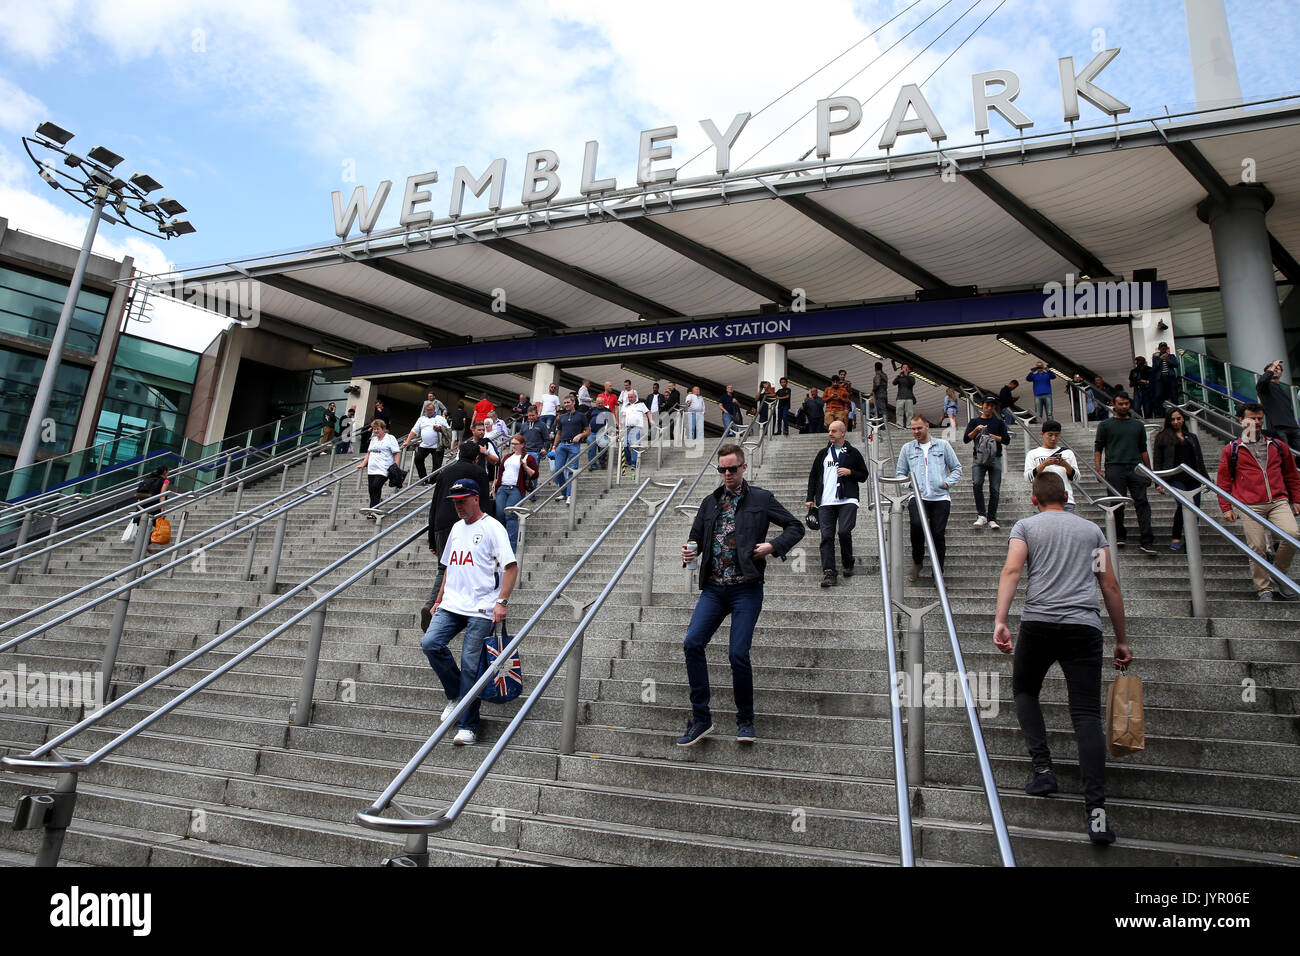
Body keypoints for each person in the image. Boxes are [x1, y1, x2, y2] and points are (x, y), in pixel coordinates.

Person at [994, 472, 1133, 846]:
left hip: (1039, 623)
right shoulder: (1092, 532)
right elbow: (1109, 584)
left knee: (1025, 691)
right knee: (1086, 715)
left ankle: (1043, 769)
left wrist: (1001, 620)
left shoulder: (1026, 526)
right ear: (1067, 496)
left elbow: (1012, 569)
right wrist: (1121, 639)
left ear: (1033, 499)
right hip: (1084, 628)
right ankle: (1097, 814)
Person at [677, 443, 804, 746]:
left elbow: (795, 526)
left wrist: (772, 546)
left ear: (744, 468)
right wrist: (687, 552)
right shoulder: (710, 503)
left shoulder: (760, 498)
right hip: (714, 588)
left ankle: (745, 720)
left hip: (746, 588)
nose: (727, 474)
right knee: (692, 642)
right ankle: (701, 719)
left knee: (737, 653)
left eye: (732, 468)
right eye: (722, 469)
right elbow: (695, 539)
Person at [420, 477, 518, 747]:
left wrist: (502, 602)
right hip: (452, 603)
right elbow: (449, 567)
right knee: (430, 643)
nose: (458, 507)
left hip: (482, 606)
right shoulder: (455, 529)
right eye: (455, 502)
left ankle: (468, 726)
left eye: (462, 501)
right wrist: (438, 600)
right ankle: (456, 695)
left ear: (477, 498)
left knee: (471, 664)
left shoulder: (492, 528)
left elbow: (511, 568)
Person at [1215, 403, 1300, 601]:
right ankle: (1264, 589)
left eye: (1260, 418)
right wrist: (1226, 507)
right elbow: (1223, 481)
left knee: (1292, 534)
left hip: (1278, 500)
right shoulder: (1232, 450)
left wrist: (1297, 500)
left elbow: (1292, 475)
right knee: (1257, 547)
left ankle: (1279, 575)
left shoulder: (1277, 445)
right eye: (1252, 418)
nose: (1257, 422)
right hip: (1249, 505)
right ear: (1241, 420)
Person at [426, 442, 498, 604]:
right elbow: (483, 503)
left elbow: (435, 504)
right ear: (477, 457)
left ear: (458, 453)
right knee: (468, 565)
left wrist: (432, 538)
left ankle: (434, 604)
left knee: (443, 568)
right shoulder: (479, 472)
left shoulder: (445, 472)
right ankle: (453, 604)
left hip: (442, 523)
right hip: (468, 524)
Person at [897, 413, 962, 582]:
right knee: (917, 524)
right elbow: (900, 474)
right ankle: (917, 562)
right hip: (917, 496)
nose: (916, 431)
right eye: (913, 429)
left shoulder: (943, 445)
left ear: (927, 426)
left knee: (937, 534)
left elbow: (956, 468)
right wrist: (910, 485)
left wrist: (947, 483)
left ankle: (937, 573)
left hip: (940, 498)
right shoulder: (907, 448)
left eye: (919, 428)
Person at [805, 421, 869, 587]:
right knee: (826, 537)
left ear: (843, 433)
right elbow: (813, 476)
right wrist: (810, 497)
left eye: (834, 431)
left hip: (848, 499)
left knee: (843, 531)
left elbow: (864, 475)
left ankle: (848, 562)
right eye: (829, 431)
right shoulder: (823, 454)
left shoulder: (853, 453)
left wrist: (850, 472)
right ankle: (829, 573)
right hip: (826, 501)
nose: (830, 433)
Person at [1093, 391, 1155, 553]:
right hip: (1114, 467)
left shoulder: (1138, 425)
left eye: (1126, 404)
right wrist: (1098, 469)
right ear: (1113, 404)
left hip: (1136, 467)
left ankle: (1147, 539)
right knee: (1117, 502)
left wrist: (1149, 471)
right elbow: (1098, 448)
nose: (1124, 406)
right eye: (1120, 404)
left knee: (1142, 502)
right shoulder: (1105, 425)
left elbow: (1143, 449)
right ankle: (1119, 535)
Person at [1152, 407, 1206, 552]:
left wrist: (1206, 479)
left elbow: (1199, 459)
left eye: (1179, 418)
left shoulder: (1191, 437)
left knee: (1195, 509)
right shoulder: (1162, 437)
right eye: (1173, 419)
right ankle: (1176, 536)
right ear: (1168, 421)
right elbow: (1158, 461)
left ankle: (1191, 539)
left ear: (1183, 419)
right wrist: (1158, 482)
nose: (1176, 422)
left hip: (1193, 478)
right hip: (1174, 478)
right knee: (1184, 505)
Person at [963, 396, 1009, 530]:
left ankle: (992, 518)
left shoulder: (999, 422)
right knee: (977, 484)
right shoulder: (974, 421)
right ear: (982, 405)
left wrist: (992, 436)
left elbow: (1006, 440)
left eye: (992, 405)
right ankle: (981, 515)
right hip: (979, 458)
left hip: (995, 458)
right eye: (987, 405)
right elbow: (966, 439)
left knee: (995, 489)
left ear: (994, 407)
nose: (989, 408)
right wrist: (976, 430)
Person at [494, 434, 538, 552]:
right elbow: (501, 473)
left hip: (516, 489)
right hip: (502, 488)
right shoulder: (507, 456)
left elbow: (535, 474)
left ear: (522, 445)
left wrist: (524, 466)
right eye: (512, 443)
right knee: (499, 515)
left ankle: (511, 547)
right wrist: (496, 485)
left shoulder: (528, 458)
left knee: (510, 515)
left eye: (516, 444)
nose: (513, 446)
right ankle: (500, 544)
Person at [1025, 420, 1079, 512]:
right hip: (1043, 502)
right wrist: (1044, 464)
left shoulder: (1067, 453)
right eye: (1050, 435)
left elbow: (1076, 478)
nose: (1053, 438)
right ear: (1042, 434)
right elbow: (1028, 478)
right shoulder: (1033, 454)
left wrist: (1065, 465)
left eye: (1057, 435)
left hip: (1066, 501)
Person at [549, 395, 590, 500]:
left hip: (574, 445)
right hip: (562, 445)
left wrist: (580, 435)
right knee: (557, 470)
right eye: (565, 403)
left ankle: (570, 495)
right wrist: (554, 446)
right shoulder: (562, 417)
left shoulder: (581, 416)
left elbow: (588, 431)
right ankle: (564, 493)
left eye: (568, 402)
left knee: (572, 470)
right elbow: (558, 433)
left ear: (573, 402)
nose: (566, 405)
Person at [356, 419, 401, 513]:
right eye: (374, 429)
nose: (376, 431)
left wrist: (396, 465)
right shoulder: (373, 439)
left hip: (383, 468)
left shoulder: (390, 438)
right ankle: (375, 508)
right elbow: (368, 453)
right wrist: (363, 464)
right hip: (372, 469)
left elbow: (397, 452)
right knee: (371, 489)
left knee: (375, 487)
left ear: (383, 428)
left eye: (378, 429)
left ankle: (373, 510)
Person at [1256, 359, 1300, 451]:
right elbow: (1262, 381)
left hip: (1293, 427)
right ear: (1267, 372)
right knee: (1284, 453)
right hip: (1277, 428)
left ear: (1281, 373)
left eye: (1278, 369)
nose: (1276, 370)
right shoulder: (1264, 387)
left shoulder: (1285, 391)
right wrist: (1273, 366)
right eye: (1273, 368)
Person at [405, 401, 450, 482]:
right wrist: (407, 441)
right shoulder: (421, 419)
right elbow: (414, 430)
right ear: (425, 410)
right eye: (428, 410)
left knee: (437, 465)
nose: (429, 412)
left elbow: (448, 430)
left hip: (437, 446)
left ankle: (433, 481)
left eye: (431, 410)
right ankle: (423, 479)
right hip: (424, 445)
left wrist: (440, 429)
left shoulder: (440, 418)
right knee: (418, 459)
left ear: (434, 410)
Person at [133, 464, 171, 531]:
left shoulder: (148, 479)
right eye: (168, 471)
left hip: (142, 507)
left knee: (140, 530)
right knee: (151, 531)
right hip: (155, 508)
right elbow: (162, 496)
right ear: (165, 472)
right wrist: (163, 512)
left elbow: (140, 494)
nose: (169, 473)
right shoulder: (165, 481)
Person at [621, 389, 649, 468]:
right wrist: (621, 423)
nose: (630, 399)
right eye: (629, 397)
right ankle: (628, 460)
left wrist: (650, 420)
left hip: (637, 427)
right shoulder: (626, 405)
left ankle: (634, 462)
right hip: (627, 427)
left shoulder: (641, 404)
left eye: (631, 397)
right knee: (624, 444)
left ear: (635, 397)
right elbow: (624, 416)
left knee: (634, 444)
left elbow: (648, 412)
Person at [1150, 342, 1180, 413]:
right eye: (1161, 347)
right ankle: (1161, 412)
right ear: (1159, 348)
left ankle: (1176, 411)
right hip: (1160, 379)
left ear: (1167, 348)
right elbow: (1154, 368)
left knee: (1173, 394)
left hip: (1170, 378)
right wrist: (1160, 360)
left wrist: (1168, 360)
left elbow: (1176, 365)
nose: (1163, 348)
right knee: (1159, 395)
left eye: (1164, 347)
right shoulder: (1156, 358)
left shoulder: (1171, 356)